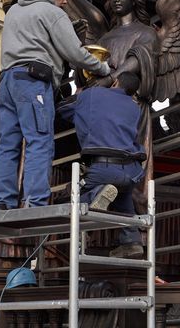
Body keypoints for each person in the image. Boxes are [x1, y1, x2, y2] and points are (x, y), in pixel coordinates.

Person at [0, 0, 111, 209]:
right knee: (39, 141)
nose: (65, 1)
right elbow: (74, 53)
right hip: (33, 82)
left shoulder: (14, 11)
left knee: (8, 144)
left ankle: (2, 202)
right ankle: (36, 202)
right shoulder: (52, 13)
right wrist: (102, 67)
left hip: (7, 82)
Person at [57, 72, 146, 258]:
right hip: (130, 170)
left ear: (115, 81)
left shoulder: (92, 95)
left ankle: (96, 194)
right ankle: (132, 242)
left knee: (69, 202)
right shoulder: (134, 107)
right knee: (123, 201)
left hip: (103, 167)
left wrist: (81, 95)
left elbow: (62, 108)